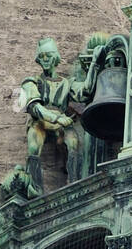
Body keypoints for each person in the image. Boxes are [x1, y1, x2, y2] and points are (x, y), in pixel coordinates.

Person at [20, 37, 84, 189]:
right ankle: (34, 187)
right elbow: (35, 107)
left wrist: (94, 65)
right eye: (41, 57)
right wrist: (56, 118)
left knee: (73, 142)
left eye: (48, 56)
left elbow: (84, 92)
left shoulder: (67, 82)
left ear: (55, 57)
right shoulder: (31, 82)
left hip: (62, 124)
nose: (44, 60)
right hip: (40, 122)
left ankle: (75, 182)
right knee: (33, 146)